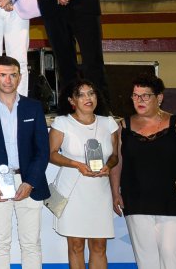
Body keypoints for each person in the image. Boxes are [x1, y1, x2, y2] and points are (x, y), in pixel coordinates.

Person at [111, 74, 176, 269]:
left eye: (145, 96)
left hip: (174, 199)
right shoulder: (122, 127)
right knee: (146, 259)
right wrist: (115, 192)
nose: (139, 100)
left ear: (159, 97)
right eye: (135, 95)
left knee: (171, 254)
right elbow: (117, 162)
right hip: (136, 199)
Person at [0, 55, 50, 269]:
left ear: (20, 77)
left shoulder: (33, 107)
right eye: (3, 75)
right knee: (0, 242)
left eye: (13, 75)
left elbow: (43, 150)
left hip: (29, 182)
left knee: (31, 243)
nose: (8, 80)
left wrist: (30, 181)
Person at [48, 79, 120, 269]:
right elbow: (51, 154)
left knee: (99, 246)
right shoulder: (62, 122)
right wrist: (76, 164)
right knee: (76, 246)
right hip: (72, 191)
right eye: (81, 95)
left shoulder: (109, 123)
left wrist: (108, 166)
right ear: (72, 100)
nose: (88, 98)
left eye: (91, 93)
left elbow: (115, 156)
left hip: (100, 191)